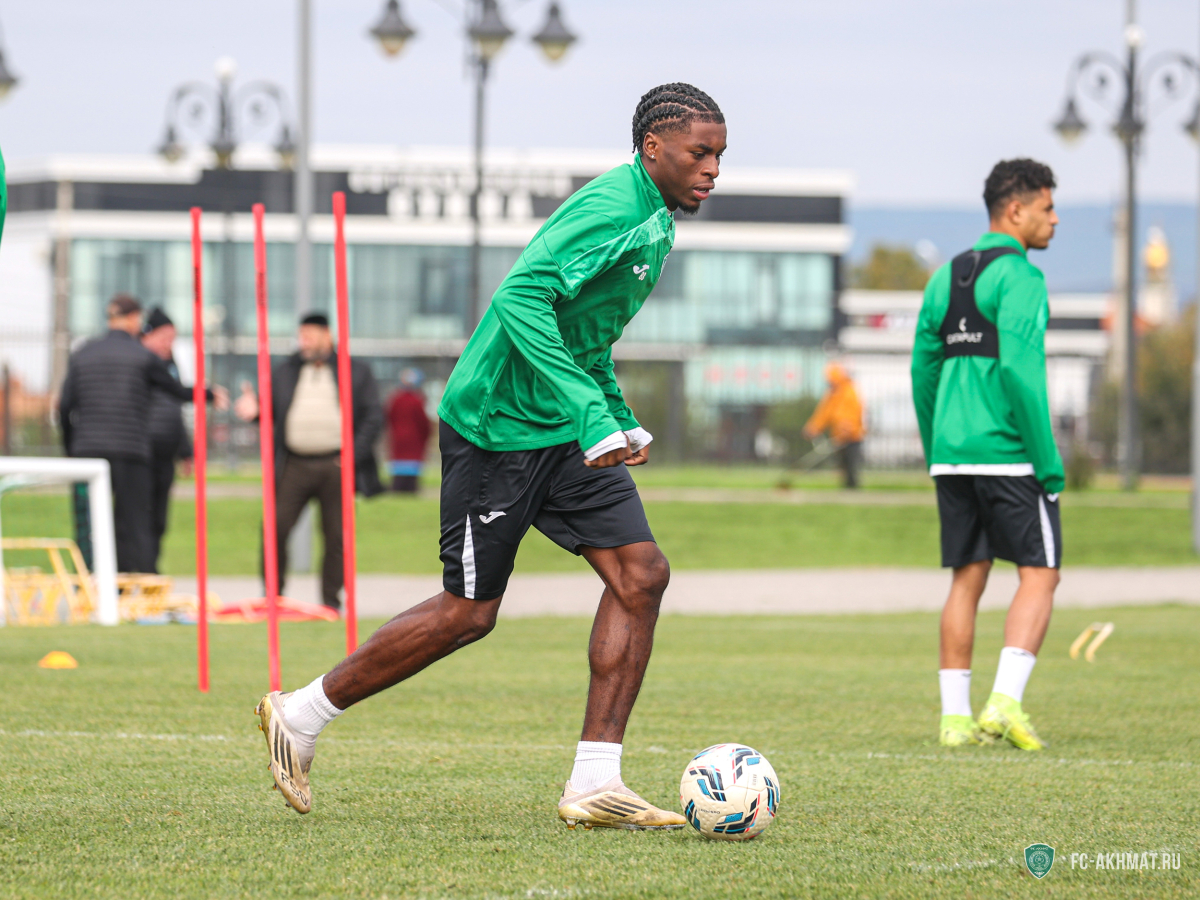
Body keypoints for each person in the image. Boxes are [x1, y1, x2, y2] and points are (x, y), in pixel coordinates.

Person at [255, 83, 727, 829]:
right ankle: (301, 713)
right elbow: (521, 297)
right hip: (496, 428)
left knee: (641, 575)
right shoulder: (615, 207)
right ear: (652, 147)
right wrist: (588, 412)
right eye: (700, 153)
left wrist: (614, 416)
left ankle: (595, 780)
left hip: (561, 430)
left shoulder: (657, 221)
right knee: (468, 614)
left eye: (720, 156)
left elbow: (587, 332)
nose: (713, 170)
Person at [911, 158, 1063, 751]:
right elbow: (1022, 374)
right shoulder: (1023, 278)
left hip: (952, 455)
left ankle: (954, 721)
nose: (1055, 219)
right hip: (1010, 455)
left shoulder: (943, 277)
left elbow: (923, 373)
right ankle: (1003, 703)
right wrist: (1048, 461)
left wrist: (938, 446)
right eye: (1048, 208)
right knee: (1040, 573)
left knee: (967, 578)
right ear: (1017, 210)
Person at [59, 295, 226, 573]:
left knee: (87, 523)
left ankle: (87, 581)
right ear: (133, 318)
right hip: (130, 452)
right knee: (131, 523)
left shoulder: (82, 353)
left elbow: (65, 407)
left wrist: (71, 448)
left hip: (87, 451)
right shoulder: (142, 356)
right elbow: (176, 390)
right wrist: (209, 393)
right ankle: (129, 584)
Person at [235, 312, 384, 611]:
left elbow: (373, 416)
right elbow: (271, 411)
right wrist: (255, 411)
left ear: (327, 336)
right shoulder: (286, 371)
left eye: (309, 337)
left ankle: (331, 603)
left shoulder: (355, 371)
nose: (303, 342)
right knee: (275, 527)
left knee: (337, 536)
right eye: (301, 337)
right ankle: (273, 597)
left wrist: (352, 455)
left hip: (336, 465)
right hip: (294, 464)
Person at [140, 308, 193, 573]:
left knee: (159, 519)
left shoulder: (171, 366)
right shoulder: (139, 362)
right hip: (141, 452)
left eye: (172, 339)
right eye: (164, 338)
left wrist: (186, 451)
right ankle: (138, 570)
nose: (168, 344)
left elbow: (175, 410)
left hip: (166, 454)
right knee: (139, 517)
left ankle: (152, 570)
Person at [803, 362, 865, 488]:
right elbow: (823, 414)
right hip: (838, 436)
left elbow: (854, 412)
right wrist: (813, 427)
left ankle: (853, 487)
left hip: (852, 436)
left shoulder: (850, 391)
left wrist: (848, 428)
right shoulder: (831, 395)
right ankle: (847, 487)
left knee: (851, 464)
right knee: (842, 464)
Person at [385, 369, 432, 493]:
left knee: (399, 467)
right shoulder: (418, 401)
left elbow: (389, 417)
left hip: (398, 438)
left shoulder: (395, 399)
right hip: (414, 440)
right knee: (411, 469)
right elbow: (424, 423)